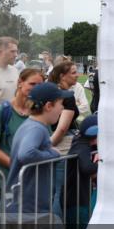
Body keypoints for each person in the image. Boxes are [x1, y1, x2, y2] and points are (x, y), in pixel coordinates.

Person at [0, 68, 45, 214]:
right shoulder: (1, 111)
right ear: (20, 83)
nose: (36, 89)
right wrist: (16, 166)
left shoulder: (40, 114)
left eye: (40, 85)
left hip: (28, 185)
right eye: (32, 84)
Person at [5, 82, 68, 215]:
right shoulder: (36, 128)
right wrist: (53, 154)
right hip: (29, 206)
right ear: (49, 106)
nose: (62, 109)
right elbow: (26, 154)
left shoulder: (31, 125)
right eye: (60, 104)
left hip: (26, 204)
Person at [48, 61, 80, 218]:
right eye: (73, 72)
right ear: (62, 75)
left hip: (51, 141)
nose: (77, 75)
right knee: (59, 190)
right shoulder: (67, 97)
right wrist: (48, 145)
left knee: (52, 189)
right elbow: (62, 128)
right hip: (62, 145)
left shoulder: (51, 92)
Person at [65, 114, 98, 229]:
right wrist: (102, 163)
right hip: (77, 202)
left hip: (78, 200)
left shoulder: (83, 143)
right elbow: (87, 168)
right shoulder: (81, 146)